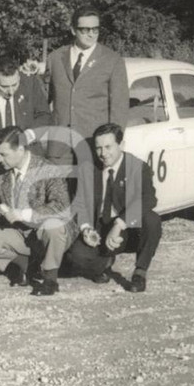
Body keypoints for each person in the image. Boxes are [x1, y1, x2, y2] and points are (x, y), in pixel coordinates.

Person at [0, 126, 77, 296]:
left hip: (45, 234)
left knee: (54, 225)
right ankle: (25, 265)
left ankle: (50, 279)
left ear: (20, 149)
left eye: (3, 154)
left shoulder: (48, 169)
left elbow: (61, 206)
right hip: (19, 234)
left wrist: (24, 214)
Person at [67, 123, 162, 293]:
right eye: (98, 148)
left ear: (122, 145)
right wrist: (86, 228)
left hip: (127, 228)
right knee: (76, 257)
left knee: (152, 220)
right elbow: (79, 202)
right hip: (100, 229)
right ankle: (102, 264)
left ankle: (140, 273)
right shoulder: (88, 169)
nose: (103, 154)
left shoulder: (138, 167)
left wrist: (120, 224)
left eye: (108, 147)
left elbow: (149, 198)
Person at [44, 6, 129, 166]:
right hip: (59, 146)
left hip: (93, 145)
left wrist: (111, 145)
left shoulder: (112, 61)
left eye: (95, 29)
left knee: (89, 191)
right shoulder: (55, 58)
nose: (91, 34)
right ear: (73, 30)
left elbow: (119, 108)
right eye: (85, 30)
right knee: (57, 191)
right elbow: (42, 99)